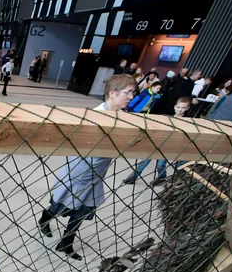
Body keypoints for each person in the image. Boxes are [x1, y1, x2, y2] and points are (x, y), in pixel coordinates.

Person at [38, 74, 138, 261]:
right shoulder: (94, 115)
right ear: (112, 93)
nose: (132, 97)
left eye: (133, 92)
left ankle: (66, 243)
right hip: (80, 170)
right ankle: (44, 219)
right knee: (62, 204)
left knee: (84, 209)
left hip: (98, 172)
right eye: (128, 92)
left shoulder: (125, 117)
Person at [123, 97, 192, 186]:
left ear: (187, 108)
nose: (180, 110)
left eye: (183, 108)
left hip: (169, 146)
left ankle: (161, 177)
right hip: (159, 142)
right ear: (175, 107)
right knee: (145, 159)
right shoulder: (168, 118)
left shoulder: (186, 121)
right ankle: (133, 176)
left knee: (161, 164)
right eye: (178, 107)